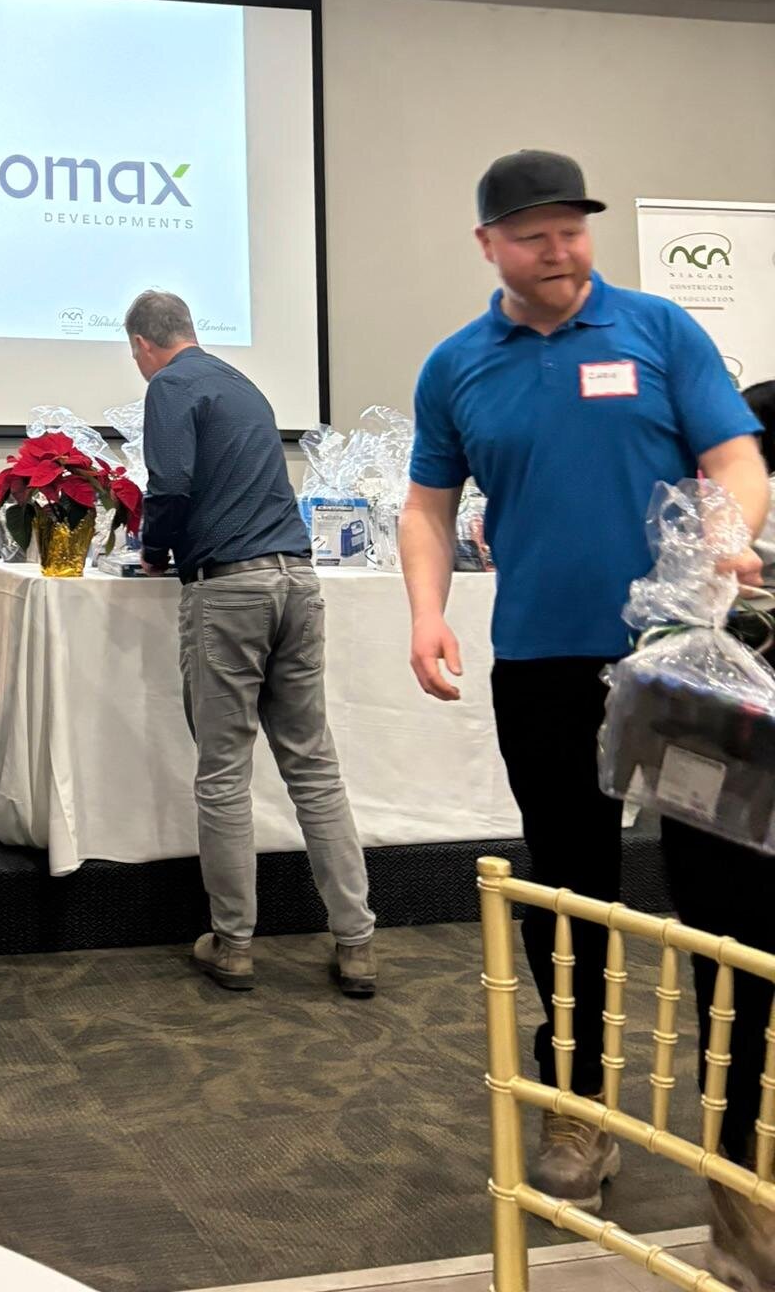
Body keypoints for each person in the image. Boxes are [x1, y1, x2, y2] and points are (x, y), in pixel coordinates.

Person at [401, 151, 766, 1213]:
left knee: (725, 898)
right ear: (488, 245)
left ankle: (743, 1137)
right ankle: (578, 1107)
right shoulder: (457, 365)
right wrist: (424, 610)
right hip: (544, 668)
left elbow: (737, 457)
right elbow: (428, 505)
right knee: (569, 893)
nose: (558, 252)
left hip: (686, 664)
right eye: (533, 236)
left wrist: (730, 529)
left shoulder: (658, 330)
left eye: (572, 230)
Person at [126, 289, 377, 998]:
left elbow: (171, 485)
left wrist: (152, 552)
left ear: (141, 345)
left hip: (230, 590)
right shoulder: (242, 385)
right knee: (315, 768)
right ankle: (357, 942)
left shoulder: (169, 385)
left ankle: (233, 945)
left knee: (224, 774)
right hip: (297, 581)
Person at [658, 378, 775, 1290]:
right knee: (733, 976)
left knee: (728, 982)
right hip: (731, 755)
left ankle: (738, 1193)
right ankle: (740, 1194)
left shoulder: (722, 433)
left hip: (714, 756)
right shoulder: (739, 429)